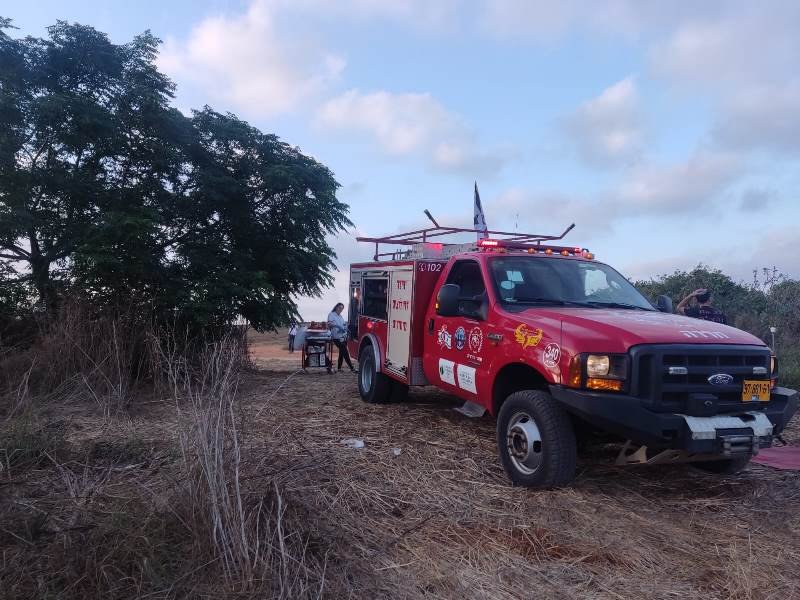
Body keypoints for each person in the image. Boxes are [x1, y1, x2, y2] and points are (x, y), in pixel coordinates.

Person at [327, 303, 356, 373]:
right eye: (340, 308)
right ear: (336, 307)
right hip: (336, 337)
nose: (341, 309)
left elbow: (343, 324)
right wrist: (337, 326)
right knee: (345, 351)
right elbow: (329, 323)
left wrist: (345, 327)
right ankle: (352, 368)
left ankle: (339, 368)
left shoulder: (340, 316)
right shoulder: (331, 314)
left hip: (343, 336)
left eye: (342, 308)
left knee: (341, 352)